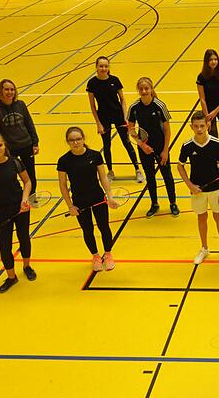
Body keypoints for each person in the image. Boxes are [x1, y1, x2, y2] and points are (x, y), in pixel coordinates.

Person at [0, 130, 36, 293]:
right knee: (4, 245)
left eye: (0, 145)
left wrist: (25, 199)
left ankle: (27, 266)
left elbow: (27, 182)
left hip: (20, 207)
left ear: (5, 146)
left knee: (24, 238)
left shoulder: (15, 162)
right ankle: (11, 277)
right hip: (2, 211)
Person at [57, 127, 118, 272]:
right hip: (79, 201)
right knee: (87, 230)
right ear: (68, 142)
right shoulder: (64, 161)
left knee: (104, 227)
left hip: (97, 197)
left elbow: (103, 177)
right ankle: (96, 256)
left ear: (83, 139)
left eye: (78, 139)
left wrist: (109, 196)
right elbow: (63, 185)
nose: (76, 142)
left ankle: (108, 254)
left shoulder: (95, 155)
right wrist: (70, 206)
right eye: (72, 140)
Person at [177, 111, 219, 264]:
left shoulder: (217, 143)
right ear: (191, 127)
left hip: (215, 190)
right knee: (202, 218)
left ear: (208, 125)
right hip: (198, 191)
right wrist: (190, 185)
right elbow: (180, 167)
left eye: (202, 126)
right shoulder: (187, 146)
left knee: (218, 217)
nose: (199, 129)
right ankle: (204, 248)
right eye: (196, 126)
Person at [86, 56, 143, 182]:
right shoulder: (92, 83)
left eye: (106, 66)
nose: (103, 68)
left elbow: (122, 100)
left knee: (126, 143)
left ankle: (138, 170)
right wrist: (98, 123)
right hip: (103, 117)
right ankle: (110, 172)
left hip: (118, 115)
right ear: (96, 67)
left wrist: (125, 117)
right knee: (107, 145)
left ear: (108, 67)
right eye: (101, 66)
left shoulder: (115, 80)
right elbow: (92, 105)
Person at [128, 77, 179, 218]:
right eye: (141, 89)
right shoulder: (134, 108)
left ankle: (173, 203)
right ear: (138, 90)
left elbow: (167, 130)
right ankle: (154, 204)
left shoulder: (159, 105)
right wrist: (142, 145)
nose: (144, 91)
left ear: (151, 89)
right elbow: (131, 129)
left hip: (160, 146)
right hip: (144, 148)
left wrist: (165, 150)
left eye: (146, 88)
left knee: (167, 175)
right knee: (150, 176)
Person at [0, 79, 39, 196]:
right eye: (6, 89)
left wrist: (35, 142)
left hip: (26, 145)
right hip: (9, 148)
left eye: (12, 89)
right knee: (9, 174)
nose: (10, 92)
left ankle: (31, 196)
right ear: (1, 91)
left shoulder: (20, 104)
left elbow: (29, 123)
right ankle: (13, 196)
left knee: (30, 173)